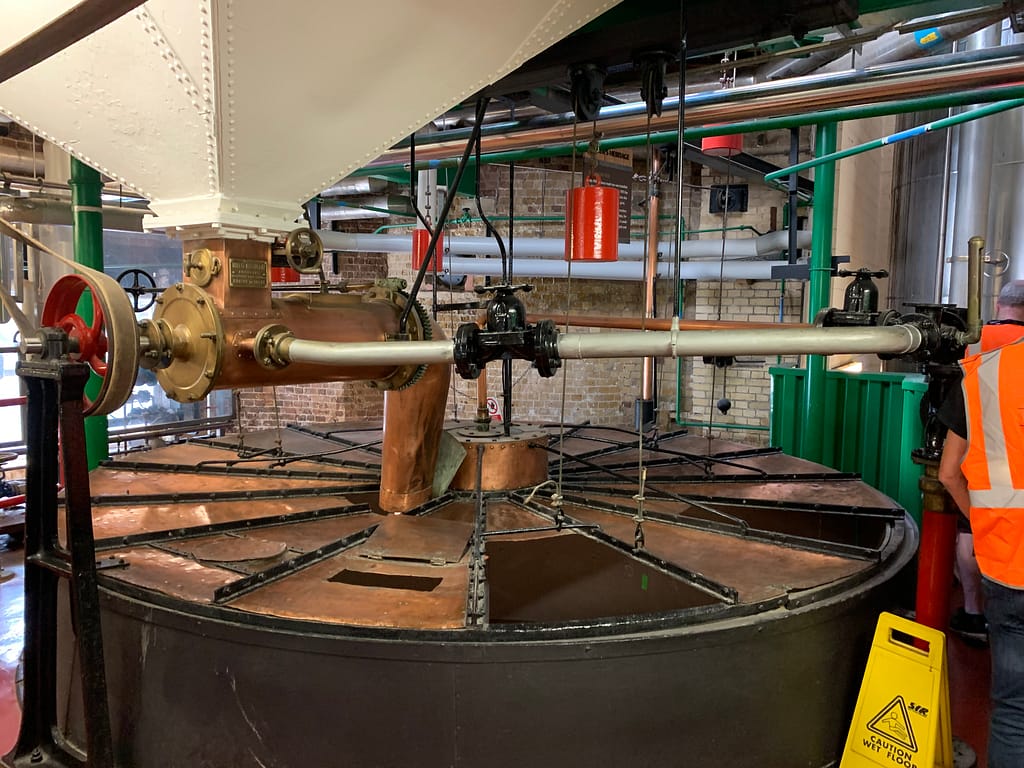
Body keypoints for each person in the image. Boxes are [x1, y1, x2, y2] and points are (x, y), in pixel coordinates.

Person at [938, 279, 1024, 768]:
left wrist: (986, 521)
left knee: (1013, 709)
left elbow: (949, 473)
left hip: (1007, 564)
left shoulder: (982, 374)